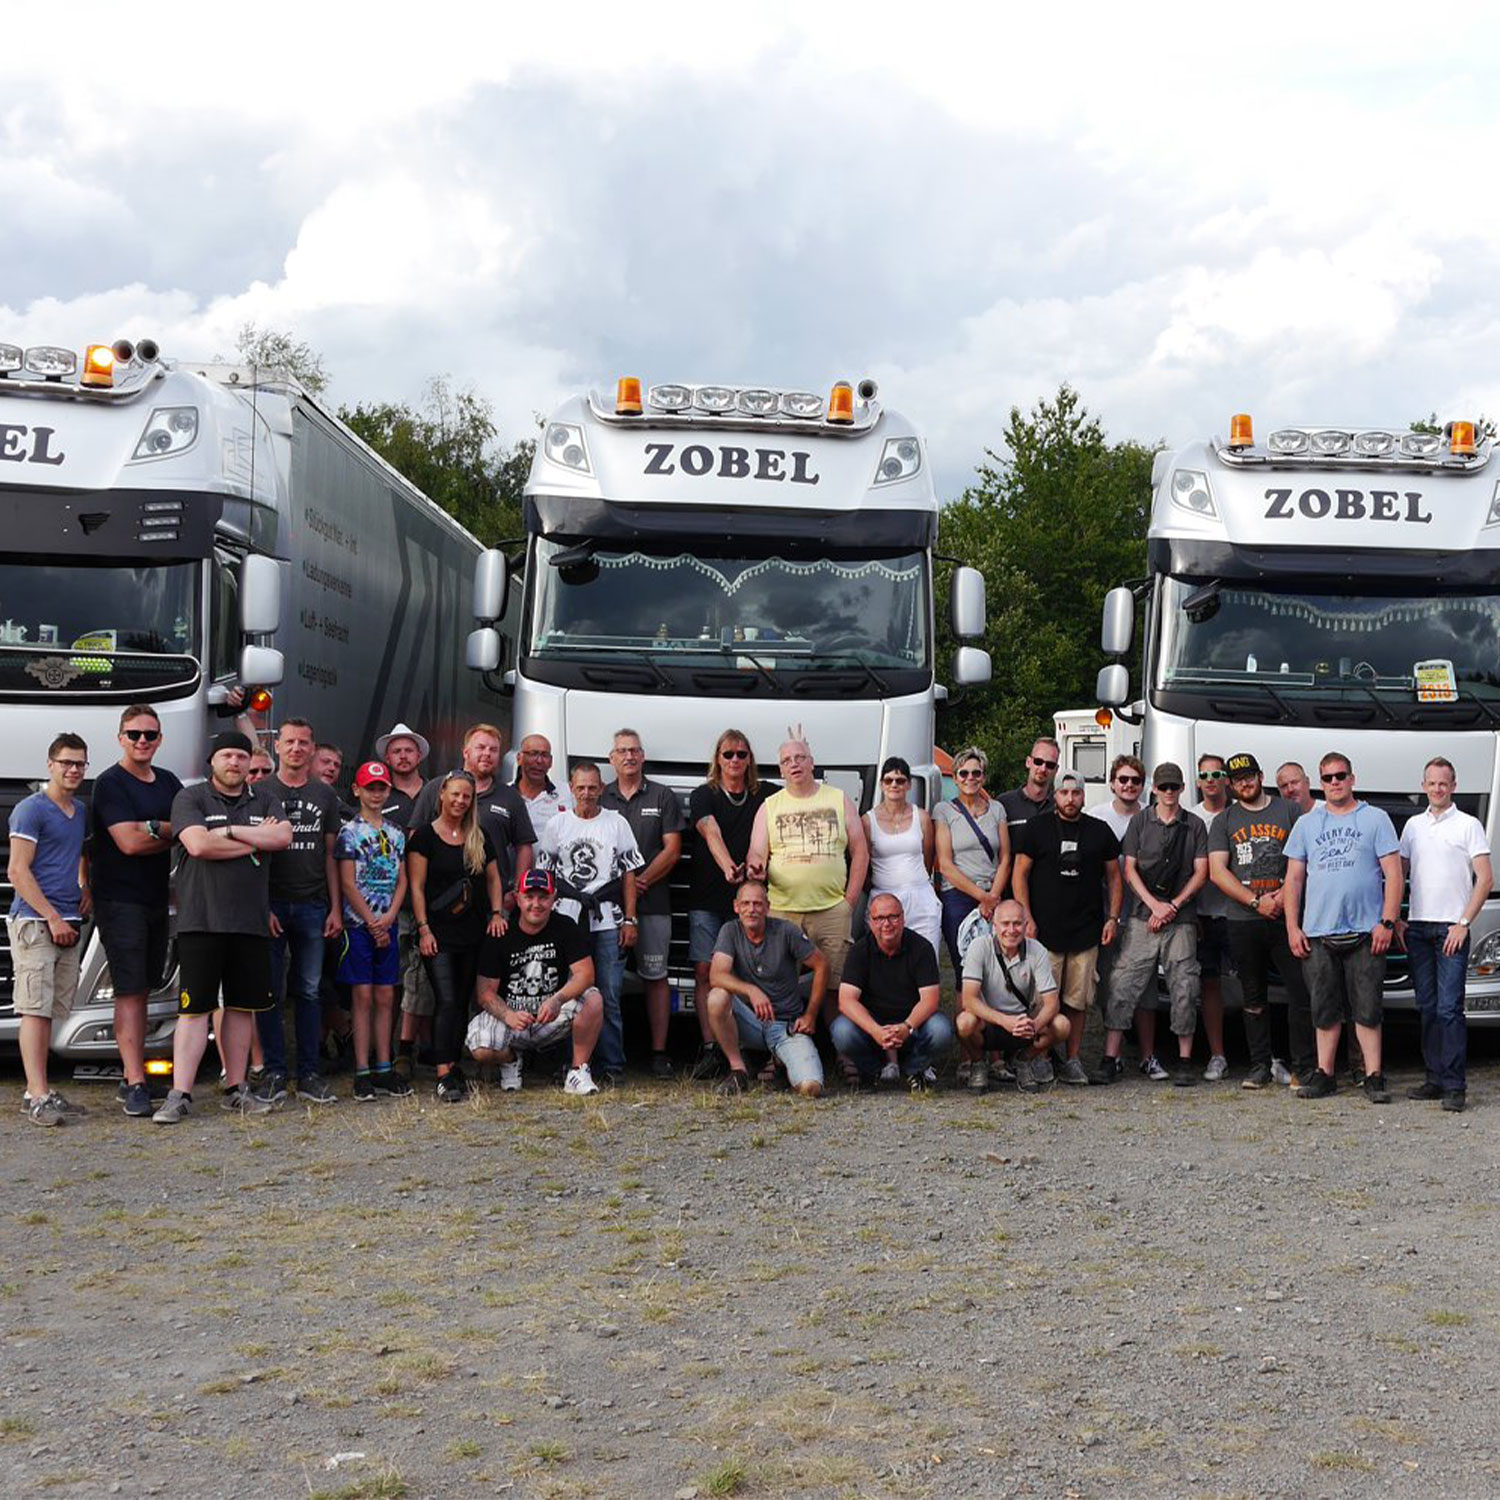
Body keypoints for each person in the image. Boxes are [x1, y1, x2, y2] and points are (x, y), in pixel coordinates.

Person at [153, 732, 291, 1123]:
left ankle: (237, 1088)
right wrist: (255, 841)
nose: (235, 762)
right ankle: (179, 1094)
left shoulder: (264, 798)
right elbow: (197, 846)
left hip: (249, 921)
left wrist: (229, 833)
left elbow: (282, 836)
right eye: (227, 755)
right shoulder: (191, 798)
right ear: (212, 760)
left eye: (241, 756)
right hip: (201, 919)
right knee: (195, 1010)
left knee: (241, 1009)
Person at [1283, 752, 1402, 1103]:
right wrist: (1293, 927)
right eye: (1328, 777)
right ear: (1321, 783)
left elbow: (1394, 874)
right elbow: (1293, 880)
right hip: (1319, 931)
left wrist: (1387, 922)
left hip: (1367, 931)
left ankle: (1374, 1076)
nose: (1335, 782)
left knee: (1367, 1007)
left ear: (1352, 778)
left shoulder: (1375, 819)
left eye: (1340, 776)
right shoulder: (1307, 824)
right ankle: (1325, 1074)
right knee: (1323, 1007)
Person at [89, 706, 182, 1117]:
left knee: (144, 986)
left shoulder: (168, 782)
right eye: (134, 734)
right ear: (120, 737)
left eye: (149, 734)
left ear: (160, 739)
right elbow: (127, 843)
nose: (142, 741)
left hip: (155, 898)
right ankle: (135, 1082)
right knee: (128, 990)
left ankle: (134, 1074)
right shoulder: (109, 784)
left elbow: (187, 828)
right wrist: (162, 830)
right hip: (119, 899)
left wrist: (150, 828)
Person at [1092, 763, 1208, 1086]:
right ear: (1154, 789)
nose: (1169, 793)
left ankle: (1184, 1060)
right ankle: (1110, 1057)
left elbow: (1202, 872)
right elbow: (1129, 870)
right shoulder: (1140, 822)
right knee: (1122, 984)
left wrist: (1172, 905)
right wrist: (1155, 905)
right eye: (1163, 787)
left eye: (1174, 787)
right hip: (1142, 916)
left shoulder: (1195, 825)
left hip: (1180, 918)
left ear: (1182, 788)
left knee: (1184, 986)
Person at [1209, 753, 1316, 1091]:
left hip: (1288, 918)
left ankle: (1303, 1067)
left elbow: (1303, 860)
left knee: (1300, 993)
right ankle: (1259, 1065)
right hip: (1243, 919)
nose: (1244, 783)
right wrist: (1256, 902)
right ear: (1230, 782)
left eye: (1250, 776)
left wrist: (1282, 897)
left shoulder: (1288, 811)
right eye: (1238, 778)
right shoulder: (1224, 821)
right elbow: (1217, 871)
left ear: (1260, 775)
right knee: (1252, 995)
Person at [1011, 769, 1122, 1085]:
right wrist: (1026, 917)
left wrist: (1112, 917)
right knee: (1043, 1001)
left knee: (1078, 1000)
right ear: (1054, 794)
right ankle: (1042, 1058)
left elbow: (1114, 877)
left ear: (1084, 796)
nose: (1070, 799)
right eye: (1063, 793)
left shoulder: (1099, 831)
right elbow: (1020, 874)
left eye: (1076, 793)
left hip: (1086, 931)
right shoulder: (1036, 828)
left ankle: (1072, 1059)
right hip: (1044, 932)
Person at [535, 761, 643, 1081]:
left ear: (601, 789)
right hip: (567, 917)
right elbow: (547, 875)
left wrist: (631, 919)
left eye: (592, 787)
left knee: (609, 993)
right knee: (567, 992)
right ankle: (570, 1062)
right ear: (571, 788)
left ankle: (611, 1065)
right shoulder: (557, 824)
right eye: (580, 788)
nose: (586, 794)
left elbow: (628, 875)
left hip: (608, 917)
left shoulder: (616, 822)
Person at [256, 718, 343, 1105]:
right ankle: (274, 1072)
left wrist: (335, 907)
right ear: (277, 746)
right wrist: (261, 907)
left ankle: (309, 1073)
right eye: (289, 741)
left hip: (312, 905)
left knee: (309, 991)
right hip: (271, 903)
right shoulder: (259, 792)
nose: (296, 748)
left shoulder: (324, 795)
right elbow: (253, 857)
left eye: (303, 743)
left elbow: (331, 855)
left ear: (312, 749)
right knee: (269, 992)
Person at [8, 732, 92, 1126]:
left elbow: (76, 854)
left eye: (80, 764)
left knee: (53, 1009)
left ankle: (35, 1091)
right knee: (34, 1009)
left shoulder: (79, 811)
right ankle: (38, 1093)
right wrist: (52, 917)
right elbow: (17, 871)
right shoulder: (31, 810)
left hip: (68, 919)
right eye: (66, 763)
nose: (73, 770)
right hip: (36, 921)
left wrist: (84, 885)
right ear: (50, 765)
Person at [407, 769, 506, 1100]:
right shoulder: (423, 836)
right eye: (455, 794)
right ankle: (443, 1072)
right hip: (437, 934)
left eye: (467, 796)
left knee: (463, 1000)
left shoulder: (479, 835)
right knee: (446, 999)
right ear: (442, 795)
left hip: (473, 931)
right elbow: (416, 887)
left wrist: (496, 913)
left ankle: (454, 1064)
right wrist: (423, 929)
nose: (461, 801)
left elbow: (494, 879)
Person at [1399, 757, 1489, 1113]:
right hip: (1419, 928)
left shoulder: (1469, 825)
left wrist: (1463, 923)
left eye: (1444, 783)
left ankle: (1454, 1085)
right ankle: (1434, 1078)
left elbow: (1485, 878)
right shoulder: (1412, 826)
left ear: (1454, 786)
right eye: (1432, 783)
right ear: (1423, 786)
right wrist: (1398, 918)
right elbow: (1397, 875)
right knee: (1428, 1008)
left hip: (1452, 928)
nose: (1437, 789)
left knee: (1450, 1008)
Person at [466, 868, 606, 1096]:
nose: (536, 904)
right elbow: (484, 992)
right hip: (511, 1018)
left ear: (554, 898)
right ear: (517, 898)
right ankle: (510, 1060)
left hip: (548, 1015)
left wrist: (557, 1000)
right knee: (480, 1047)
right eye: (529, 897)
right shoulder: (500, 932)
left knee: (593, 999)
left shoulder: (565, 926)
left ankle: (577, 1071)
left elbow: (585, 974)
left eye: (543, 897)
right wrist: (508, 1016)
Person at [748, 737, 868, 1000]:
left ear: (812, 763)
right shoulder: (769, 807)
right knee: (779, 986)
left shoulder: (839, 799)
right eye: (787, 760)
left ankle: (834, 1040)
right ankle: (784, 1038)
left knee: (836, 991)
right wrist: (755, 868)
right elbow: (757, 853)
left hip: (832, 912)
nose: (794, 764)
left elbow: (860, 851)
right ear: (780, 770)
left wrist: (849, 902)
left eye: (800, 757)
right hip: (782, 913)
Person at [685, 730, 769, 1080]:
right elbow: (710, 831)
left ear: (750, 760)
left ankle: (751, 1044)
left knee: (750, 973)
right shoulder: (703, 795)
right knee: (705, 971)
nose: (735, 761)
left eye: (742, 755)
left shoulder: (767, 793)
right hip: (708, 895)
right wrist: (727, 868)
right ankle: (711, 1047)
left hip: (750, 901)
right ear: (717, 759)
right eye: (728, 754)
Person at [602, 728, 685, 1079]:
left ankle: (658, 1053)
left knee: (656, 976)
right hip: (608, 907)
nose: (629, 756)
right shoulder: (600, 796)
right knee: (607, 982)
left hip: (653, 904)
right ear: (612, 758)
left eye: (634, 750)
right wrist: (623, 887)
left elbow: (673, 848)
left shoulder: (663, 796)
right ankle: (607, 1057)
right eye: (622, 751)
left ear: (643, 756)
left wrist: (642, 881)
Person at [703, 880, 827, 1097]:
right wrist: (751, 990)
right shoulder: (730, 931)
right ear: (736, 906)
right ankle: (738, 1070)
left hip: (785, 1024)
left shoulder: (786, 931)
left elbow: (822, 964)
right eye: (746, 903)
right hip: (751, 1020)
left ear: (768, 907)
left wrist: (811, 1015)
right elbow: (716, 975)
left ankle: (781, 1061)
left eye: (758, 904)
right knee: (717, 997)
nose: (752, 910)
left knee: (810, 1088)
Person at [336, 761, 413, 1101]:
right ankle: (362, 1069)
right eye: (370, 788)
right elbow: (347, 884)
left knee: (386, 995)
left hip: (388, 923)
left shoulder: (396, 832)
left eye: (382, 788)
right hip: (358, 926)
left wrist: (390, 917)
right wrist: (371, 921)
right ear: (357, 790)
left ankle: (384, 1064)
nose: (376, 794)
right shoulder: (349, 832)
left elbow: (403, 880)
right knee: (362, 996)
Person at [410, 723, 535, 913]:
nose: (487, 753)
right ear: (466, 752)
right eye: (481, 747)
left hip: (492, 903)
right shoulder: (436, 788)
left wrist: (517, 891)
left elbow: (524, 846)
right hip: (440, 900)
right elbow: (415, 838)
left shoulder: (510, 797)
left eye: (493, 750)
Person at [832, 893, 952, 1090]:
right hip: (873, 1029)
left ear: (903, 918)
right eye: (879, 918)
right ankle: (875, 1071)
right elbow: (846, 1001)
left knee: (941, 1030)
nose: (886, 924)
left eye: (893, 917)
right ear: (870, 922)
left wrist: (907, 1026)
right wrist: (876, 1031)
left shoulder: (921, 948)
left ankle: (914, 1069)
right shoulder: (859, 951)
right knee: (841, 1030)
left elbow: (930, 1000)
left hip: (913, 1026)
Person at [957, 900, 1069, 1093]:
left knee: (1062, 1025)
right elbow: (969, 999)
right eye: (1005, 924)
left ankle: (1023, 1061)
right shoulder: (978, 947)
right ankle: (978, 1064)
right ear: (994, 925)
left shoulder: (1037, 950)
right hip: (989, 1022)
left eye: (1017, 923)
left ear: (1026, 926)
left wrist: (1034, 1025)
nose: (1012, 930)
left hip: (1024, 1022)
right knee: (964, 1022)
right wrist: (1005, 1021)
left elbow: (1052, 1003)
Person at [933, 746, 1010, 977]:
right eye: (964, 773)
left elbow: (1005, 857)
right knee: (965, 971)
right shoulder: (944, 810)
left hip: (993, 893)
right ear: (955, 778)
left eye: (976, 773)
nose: (970, 778)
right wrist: (982, 897)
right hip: (959, 897)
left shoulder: (997, 809)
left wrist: (993, 896)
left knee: (996, 969)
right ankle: (965, 1014)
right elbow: (946, 864)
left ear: (983, 777)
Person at [865, 755, 942, 957]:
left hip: (920, 897)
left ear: (908, 785)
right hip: (883, 896)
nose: (894, 785)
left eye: (900, 780)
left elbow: (928, 857)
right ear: (882, 784)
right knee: (886, 961)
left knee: (927, 957)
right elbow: (864, 863)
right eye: (889, 780)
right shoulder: (868, 821)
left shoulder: (922, 817)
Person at [1187, 753, 1233, 1082]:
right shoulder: (1191, 819)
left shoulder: (1240, 814)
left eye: (1218, 773)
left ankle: (1266, 1056)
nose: (1211, 779)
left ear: (1226, 779)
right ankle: (1217, 1055)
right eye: (1205, 774)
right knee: (1210, 986)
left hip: (1240, 914)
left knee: (1254, 985)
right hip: (1203, 915)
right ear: (1198, 780)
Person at [997, 736, 1060, 845]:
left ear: (1056, 769)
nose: (1043, 769)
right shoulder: (1004, 804)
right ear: (1028, 762)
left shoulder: (1059, 807)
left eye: (1050, 765)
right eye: (1038, 761)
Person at [513, 733, 573, 843]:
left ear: (551, 762)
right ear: (519, 758)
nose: (539, 760)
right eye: (533, 754)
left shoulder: (567, 793)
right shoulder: (505, 794)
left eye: (544, 755)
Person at [374, 722, 430, 831]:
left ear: (419, 756)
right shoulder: (377, 795)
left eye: (409, 750)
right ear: (387, 758)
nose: (403, 756)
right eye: (397, 751)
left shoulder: (435, 792)